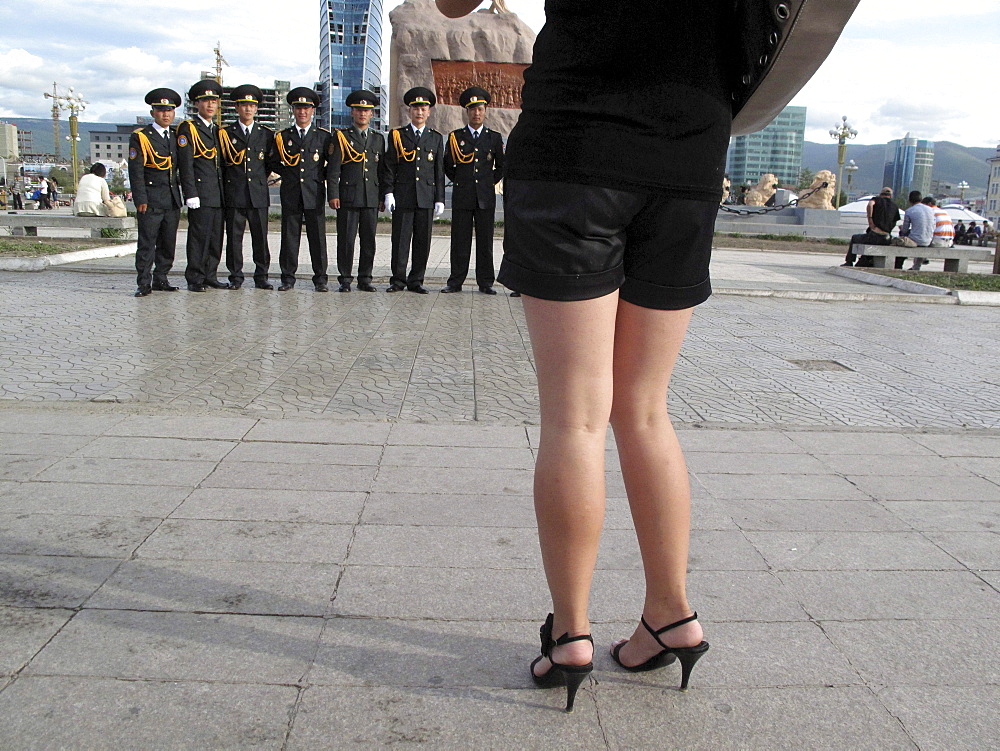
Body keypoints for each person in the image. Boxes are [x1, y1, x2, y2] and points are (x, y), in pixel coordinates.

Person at [440, 0, 722, 712]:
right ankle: (672, 614)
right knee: (647, 410)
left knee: (575, 416)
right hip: (689, 146)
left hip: (577, 145)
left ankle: (571, 634)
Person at [379, 86, 445, 294]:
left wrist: (440, 199)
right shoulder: (398, 135)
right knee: (400, 240)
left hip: (426, 197)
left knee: (422, 241)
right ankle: (398, 280)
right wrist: (388, 193)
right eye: (415, 108)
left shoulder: (435, 138)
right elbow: (389, 166)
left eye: (423, 108)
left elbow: (438, 171)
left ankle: (416, 280)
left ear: (429, 112)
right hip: (404, 196)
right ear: (409, 111)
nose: (419, 112)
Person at [269, 87, 334, 292]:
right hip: (291, 192)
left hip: (313, 193)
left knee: (318, 238)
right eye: (298, 108)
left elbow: (330, 165)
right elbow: (273, 162)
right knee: (289, 237)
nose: (302, 112)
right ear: (293, 111)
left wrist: (316, 178)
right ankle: (288, 278)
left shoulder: (323, 136)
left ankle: (320, 279)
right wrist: (289, 175)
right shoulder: (283, 137)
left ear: (313, 110)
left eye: (306, 108)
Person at [442, 86, 505, 295]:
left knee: (485, 241)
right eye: (472, 109)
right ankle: (456, 281)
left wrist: (487, 182)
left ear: (485, 111)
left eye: (480, 109)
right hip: (463, 195)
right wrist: (462, 181)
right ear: (466, 112)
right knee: (460, 240)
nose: (476, 113)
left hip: (485, 197)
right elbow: (448, 166)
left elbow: (501, 167)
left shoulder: (494, 138)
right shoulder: (455, 137)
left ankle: (485, 282)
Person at [127, 87, 185, 297]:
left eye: (169, 110)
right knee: (147, 243)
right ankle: (144, 282)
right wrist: (140, 198)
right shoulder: (142, 137)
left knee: (168, 243)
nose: (166, 114)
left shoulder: (176, 136)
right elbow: (136, 171)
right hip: (150, 199)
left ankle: (162, 278)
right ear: (153, 113)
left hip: (171, 199)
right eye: (161, 110)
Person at [219, 84, 275, 290]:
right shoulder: (225, 134)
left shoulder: (266, 134)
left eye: (252, 105)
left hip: (258, 194)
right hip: (235, 193)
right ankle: (236, 276)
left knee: (260, 238)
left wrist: (258, 181)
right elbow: (223, 165)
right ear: (237, 108)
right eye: (244, 105)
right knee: (234, 238)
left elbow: (269, 164)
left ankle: (261, 276)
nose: (248, 109)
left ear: (257, 108)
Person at [329, 89, 385, 292]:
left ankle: (365, 278)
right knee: (346, 240)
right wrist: (333, 193)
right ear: (352, 113)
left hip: (371, 196)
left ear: (372, 114)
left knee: (368, 240)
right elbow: (334, 169)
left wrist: (382, 196)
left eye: (366, 111)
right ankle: (345, 278)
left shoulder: (378, 139)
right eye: (358, 110)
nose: (362, 114)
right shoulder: (342, 137)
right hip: (348, 197)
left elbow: (382, 170)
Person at [177, 79, 229, 291]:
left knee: (215, 238)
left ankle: (210, 274)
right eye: (205, 101)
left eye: (213, 101)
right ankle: (195, 277)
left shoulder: (218, 130)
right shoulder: (189, 128)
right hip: (200, 194)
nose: (210, 105)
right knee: (199, 237)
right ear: (197, 104)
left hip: (218, 194)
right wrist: (190, 193)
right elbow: (186, 163)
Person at [843, 188, 900, 267]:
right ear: (890, 196)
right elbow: (895, 221)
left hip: (874, 236)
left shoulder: (877, 199)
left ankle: (849, 261)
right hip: (886, 238)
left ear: (881, 194)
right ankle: (866, 262)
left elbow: (870, 204)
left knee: (855, 238)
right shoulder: (895, 206)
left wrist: (870, 219)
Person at [898, 190, 935, 271]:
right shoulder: (931, 210)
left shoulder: (909, 211)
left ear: (910, 200)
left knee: (901, 238)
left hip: (917, 240)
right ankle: (917, 266)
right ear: (921, 199)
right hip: (928, 239)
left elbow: (905, 230)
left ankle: (898, 265)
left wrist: (901, 230)